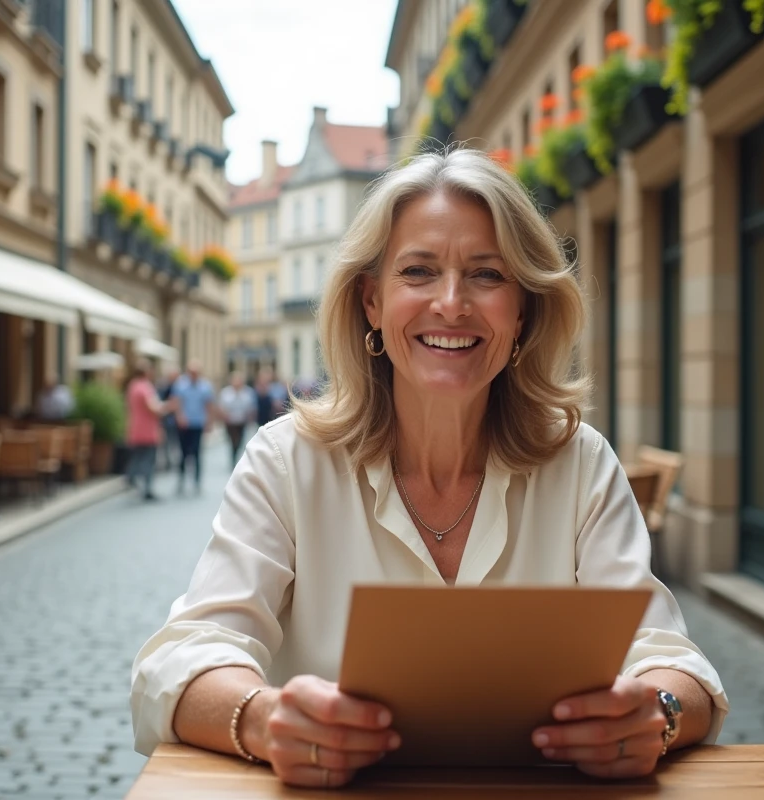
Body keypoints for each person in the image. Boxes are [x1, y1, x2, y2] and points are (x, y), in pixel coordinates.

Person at [131, 148, 728, 788]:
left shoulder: (580, 463)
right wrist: (261, 717)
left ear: (523, 309)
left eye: (487, 276)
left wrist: (656, 714)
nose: (451, 303)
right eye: (418, 271)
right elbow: (183, 657)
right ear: (371, 301)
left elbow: (668, 660)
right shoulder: (288, 461)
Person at [126, 359, 168, 501]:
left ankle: (131, 477)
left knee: (137, 456)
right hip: (148, 430)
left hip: (135, 427)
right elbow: (153, 408)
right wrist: (166, 407)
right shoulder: (145, 387)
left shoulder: (132, 386)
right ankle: (147, 489)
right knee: (149, 460)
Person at [170, 360, 214, 494]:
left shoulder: (205, 386)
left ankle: (197, 481)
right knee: (183, 453)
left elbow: (209, 405)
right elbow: (176, 403)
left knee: (197, 452)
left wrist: (209, 422)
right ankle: (181, 479)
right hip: (185, 424)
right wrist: (179, 417)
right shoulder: (180, 385)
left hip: (197, 423)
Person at [216, 372, 257, 467]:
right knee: (232, 440)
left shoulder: (248, 392)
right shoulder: (225, 393)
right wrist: (224, 416)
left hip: (241, 421)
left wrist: (250, 418)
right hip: (230, 422)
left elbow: (251, 407)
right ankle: (233, 457)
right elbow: (221, 407)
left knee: (240, 441)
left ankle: (236, 455)